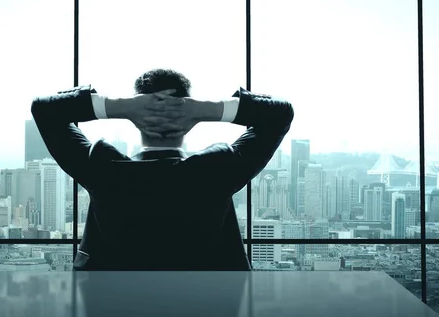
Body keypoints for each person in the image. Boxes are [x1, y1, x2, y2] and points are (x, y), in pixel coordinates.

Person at [31, 68, 294, 270]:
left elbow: (44, 110)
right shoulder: (217, 169)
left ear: (136, 120)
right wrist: (208, 109)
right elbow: (281, 114)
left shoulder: (103, 167)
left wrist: (119, 106)